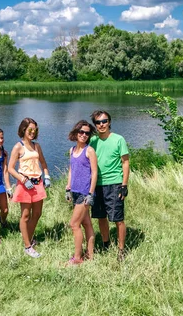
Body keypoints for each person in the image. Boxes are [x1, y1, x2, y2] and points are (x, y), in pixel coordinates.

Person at [88, 110, 130, 261]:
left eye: (104, 121)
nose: (101, 125)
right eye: (98, 122)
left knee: (118, 218)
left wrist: (124, 185)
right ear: (95, 125)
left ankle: (121, 249)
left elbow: (125, 162)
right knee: (101, 217)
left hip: (115, 183)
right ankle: (106, 243)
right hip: (97, 185)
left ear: (109, 122)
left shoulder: (119, 139)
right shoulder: (92, 141)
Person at [8, 118, 51, 258]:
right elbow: (10, 168)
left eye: (35, 130)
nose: (33, 132)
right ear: (23, 130)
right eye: (30, 130)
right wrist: (22, 179)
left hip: (38, 183)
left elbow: (43, 163)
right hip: (25, 184)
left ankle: (30, 238)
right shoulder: (18, 147)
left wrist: (47, 176)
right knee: (25, 215)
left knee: (37, 214)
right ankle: (27, 246)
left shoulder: (36, 146)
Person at [65, 120, 97, 265]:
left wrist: (91, 193)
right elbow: (71, 170)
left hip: (85, 193)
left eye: (87, 133)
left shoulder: (89, 151)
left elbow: (95, 173)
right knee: (87, 224)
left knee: (74, 224)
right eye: (81, 132)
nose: (84, 135)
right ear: (76, 132)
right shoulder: (72, 150)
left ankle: (77, 258)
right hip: (75, 191)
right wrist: (68, 187)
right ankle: (90, 255)